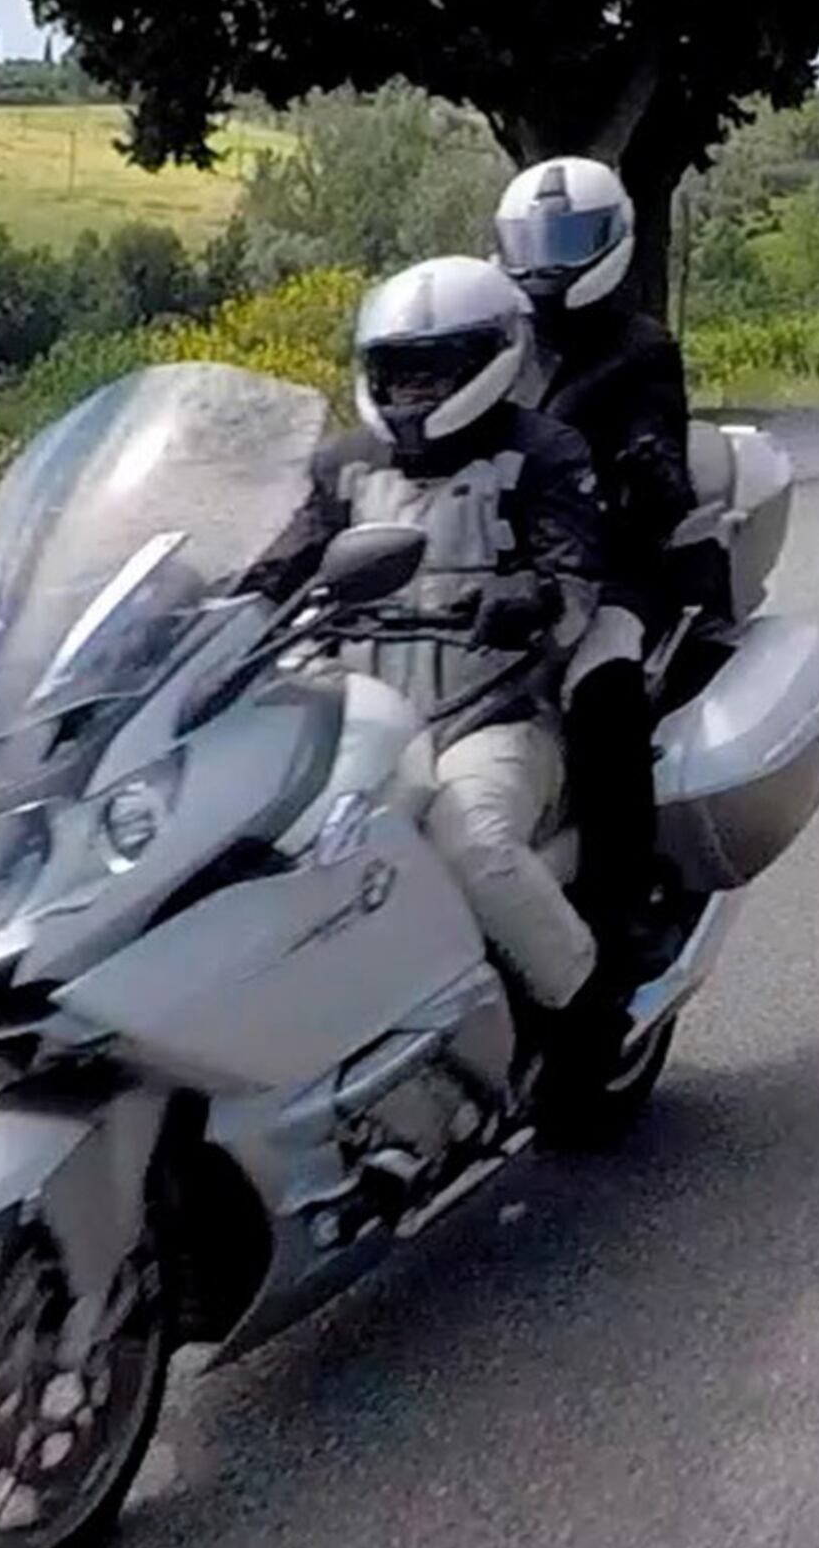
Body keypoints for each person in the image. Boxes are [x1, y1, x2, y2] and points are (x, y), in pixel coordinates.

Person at [263, 255, 615, 1050]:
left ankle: (585, 1015)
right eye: (398, 372)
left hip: (493, 714)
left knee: (473, 844)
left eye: (435, 370)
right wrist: (207, 602)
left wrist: (533, 596)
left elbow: (577, 573)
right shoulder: (343, 466)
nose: (415, 392)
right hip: (353, 721)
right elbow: (278, 566)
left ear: (493, 357)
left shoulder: (543, 452)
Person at [492, 155, 708, 986]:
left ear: (612, 241)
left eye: (570, 240)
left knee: (602, 688)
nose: (549, 260)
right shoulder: (501, 341)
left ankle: (627, 900)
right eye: (533, 241)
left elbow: (663, 473)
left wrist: (643, 465)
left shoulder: (640, 348)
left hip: (617, 569)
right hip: (501, 562)